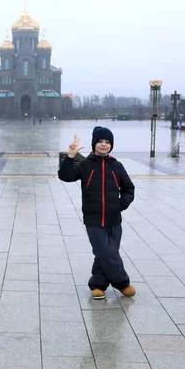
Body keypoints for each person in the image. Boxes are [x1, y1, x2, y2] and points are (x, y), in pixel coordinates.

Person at [58, 126, 136, 299]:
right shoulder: (86, 165)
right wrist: (70, 156)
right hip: (93, 220)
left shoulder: (117, 166)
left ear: (111, 145)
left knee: (105, 254)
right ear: (94, 144)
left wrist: (121, 205)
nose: (103, 145)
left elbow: (129, 188)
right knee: (108, 253)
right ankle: (123, 284)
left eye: (107, 142)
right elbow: (65, 176)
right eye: (100, 142)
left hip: (114, 220)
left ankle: (98, 286)